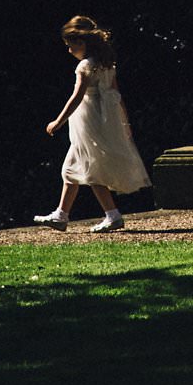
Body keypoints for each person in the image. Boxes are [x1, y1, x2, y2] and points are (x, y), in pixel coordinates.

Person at [35, 15, 151, 231]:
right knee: (72, 168)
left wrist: (58, 121)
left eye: (71, 46)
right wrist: (123, 121)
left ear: (82, 43)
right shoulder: (106, 64)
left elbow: (77, 97)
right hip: (104, 118)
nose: (69, 51)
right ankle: (61, 215)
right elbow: (116, 93)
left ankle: (112, 214)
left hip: (90, 121)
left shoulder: (85, 66)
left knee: (91, 168)